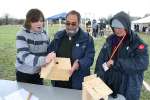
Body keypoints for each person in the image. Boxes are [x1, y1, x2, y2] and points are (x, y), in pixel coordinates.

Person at [94, 11, 149, 100]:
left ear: (126, 26)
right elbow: (101, 60)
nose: (117, 30)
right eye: (115, 27)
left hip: (127, 87)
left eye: (120, 27)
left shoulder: (137, 43)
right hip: (109, 83)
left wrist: (116, 63)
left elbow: (142, 63)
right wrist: (98, 76)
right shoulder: (110, 41)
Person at [47, 10, 95, 90]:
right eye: (68, 23)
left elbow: (89, 58)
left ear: (79, 23)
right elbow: (50, 50)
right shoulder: (58, 36)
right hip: (59, 81)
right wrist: (51, 55)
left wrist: (79, 64)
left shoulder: (87, 39)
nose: (70, 26)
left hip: (77, 82)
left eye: (73, 24)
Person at [16, 9, 51, 85]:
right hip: (24, 74)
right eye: (35, 21)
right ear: (28, 22)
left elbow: (48, 51)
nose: (39, 23)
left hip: (38, 73)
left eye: (41, 21)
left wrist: (45, 66)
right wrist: (44, 60)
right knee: (25, 96)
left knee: (38, 95)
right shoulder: (21, 34)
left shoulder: (45, 34)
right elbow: (24, 56)